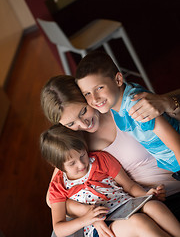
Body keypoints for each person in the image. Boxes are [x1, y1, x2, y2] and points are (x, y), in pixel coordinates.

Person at [41, 75, 180, 221]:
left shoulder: (119, 104)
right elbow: (51, 199)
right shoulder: (75, 144)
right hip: (148, 205)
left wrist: (168, 104)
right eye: (71, 124)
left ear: (87, 96)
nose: (83, 124)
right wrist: (88, 210)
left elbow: (173, 126)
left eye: (83, 112)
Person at [40, 124, 180, 237]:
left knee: (154, 206)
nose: (82, 164)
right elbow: (59, 229)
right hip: (103, 226)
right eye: (72, 163)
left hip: (127, 205)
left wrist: (146, 195)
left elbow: (130, 186)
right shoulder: (58, 186)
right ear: (57, 165)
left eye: (82, 155)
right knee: (139, 222)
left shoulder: (100, 159)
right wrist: (87, 219)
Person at [75, 51, 180, 179]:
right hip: (172, 165)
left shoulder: (135, 105)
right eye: (87, 93)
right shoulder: (114, 104)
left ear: (118, 80)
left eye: (99, 88)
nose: (95, 99)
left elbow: (176, 144)